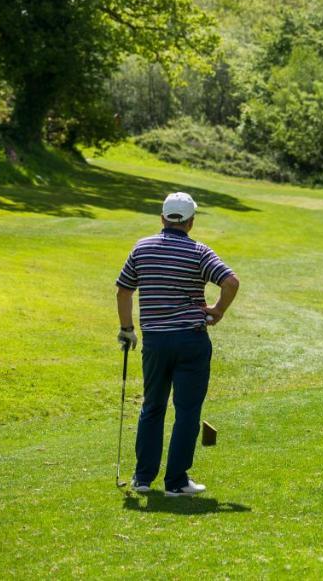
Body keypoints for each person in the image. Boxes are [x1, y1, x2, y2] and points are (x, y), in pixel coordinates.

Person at [115, 191, 240, 497]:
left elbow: (123, 291)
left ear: (162, 218)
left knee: (152, 406)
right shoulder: (199, 252)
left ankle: (142, 479)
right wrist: (218, 310)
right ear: (191, 222)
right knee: (186, 410)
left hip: (155, 342)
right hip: (190, 340)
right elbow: (231, 282)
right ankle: (176, 482)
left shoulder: (141, 248)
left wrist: (127, 329)